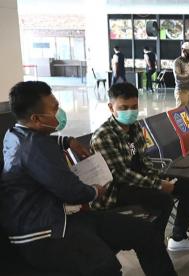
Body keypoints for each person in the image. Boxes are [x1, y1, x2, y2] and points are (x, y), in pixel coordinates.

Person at [0, 81, 176, 276]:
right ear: (36, 118)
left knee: (145, 232)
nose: (60, 111)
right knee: (105, 268)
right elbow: (72, 191)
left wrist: (66, 141)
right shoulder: (34, 148)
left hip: (60, 218)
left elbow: (41, 140)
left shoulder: (14, 133)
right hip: (46, 232)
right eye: (55, 108)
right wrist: (94, 191)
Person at [91, 82, 189, 252]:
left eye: (134, 107)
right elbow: (121, 175)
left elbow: (144, 161)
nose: (130, 112)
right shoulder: (104, 136)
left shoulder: (135, 128)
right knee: (163, 199)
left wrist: (160, 177)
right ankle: (153, 245)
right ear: (111, 107)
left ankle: (178, 237)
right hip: (117, 190)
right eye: (123, 108)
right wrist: (158, 185)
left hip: (141, 181)